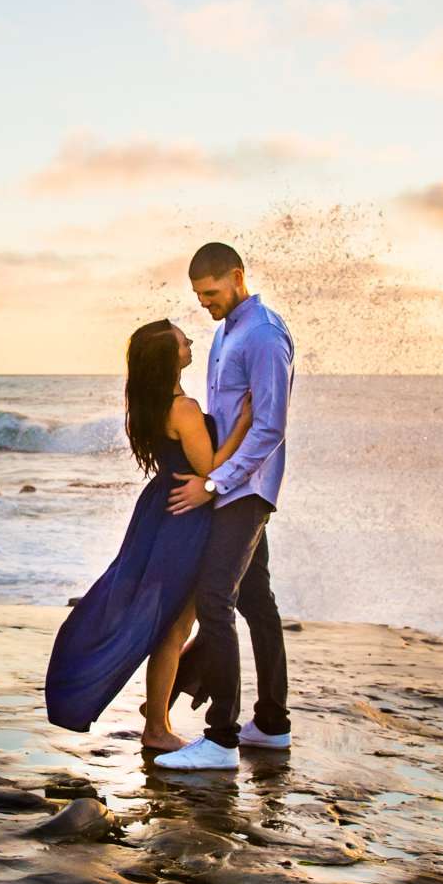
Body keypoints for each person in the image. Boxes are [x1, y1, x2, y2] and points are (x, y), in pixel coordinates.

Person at [45, 320, 252, 749]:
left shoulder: (151, 404)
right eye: (182, 341)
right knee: (173, 626)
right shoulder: (183, 409)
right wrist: (244, 426)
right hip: (186, 518)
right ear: (168, 358)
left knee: (171, 620)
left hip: (161, 511)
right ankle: (156, 727)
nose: (190, 342)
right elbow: (211, 468)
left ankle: (159, 707)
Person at [152, 241, 294, 772]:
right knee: (256, 602)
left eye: (211, 292)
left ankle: (222, 739)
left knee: (214, 599)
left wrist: (215, 484)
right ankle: (273, 725)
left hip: (246, 490)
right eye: (198, 296)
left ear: (237, 276)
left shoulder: (263, 335)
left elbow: (271, 426)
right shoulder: (226, 331)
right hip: (232, 485)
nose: (205, 303)